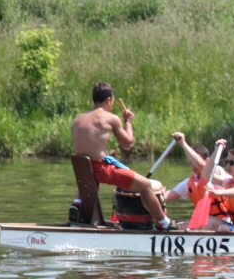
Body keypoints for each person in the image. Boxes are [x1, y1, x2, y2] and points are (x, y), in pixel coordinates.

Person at [70, 82, 178, 229]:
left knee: (94, 180)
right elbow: (127, 143)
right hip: (100, 169)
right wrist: (128, 121)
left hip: (82, 169)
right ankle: (164, 222)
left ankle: (78, 204)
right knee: (145, 185)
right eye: (112, 101)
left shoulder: (77, 119)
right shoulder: (111, 118)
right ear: (108, 100)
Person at [165, 132, 229, 219]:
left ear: (207, 161)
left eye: (194, 161)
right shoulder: (189, 183)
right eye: (191, 162)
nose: (194, 166)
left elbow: (201, 166)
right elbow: (166, 196)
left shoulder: (217, 171)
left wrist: (183, 143)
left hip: (225, 221)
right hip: (204, 222)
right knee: (178, 225)